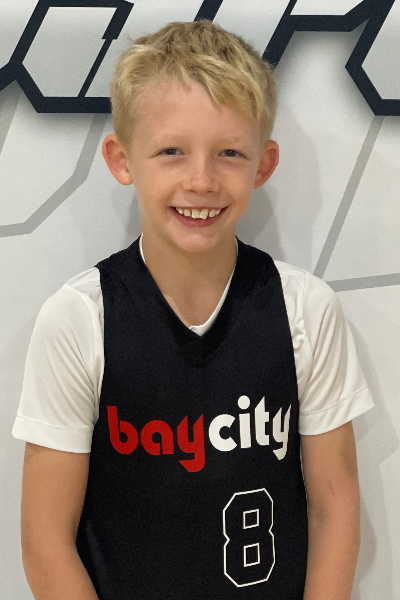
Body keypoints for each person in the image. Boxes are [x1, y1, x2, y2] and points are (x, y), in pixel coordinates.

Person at [13, 19, 375, 600]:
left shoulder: (306, 310)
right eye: (171, 151)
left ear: (263, 164)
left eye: (229, 152)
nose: (201, 180)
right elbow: (45, 540)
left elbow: (335, 507)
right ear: (122, 159)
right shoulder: (79, 319)